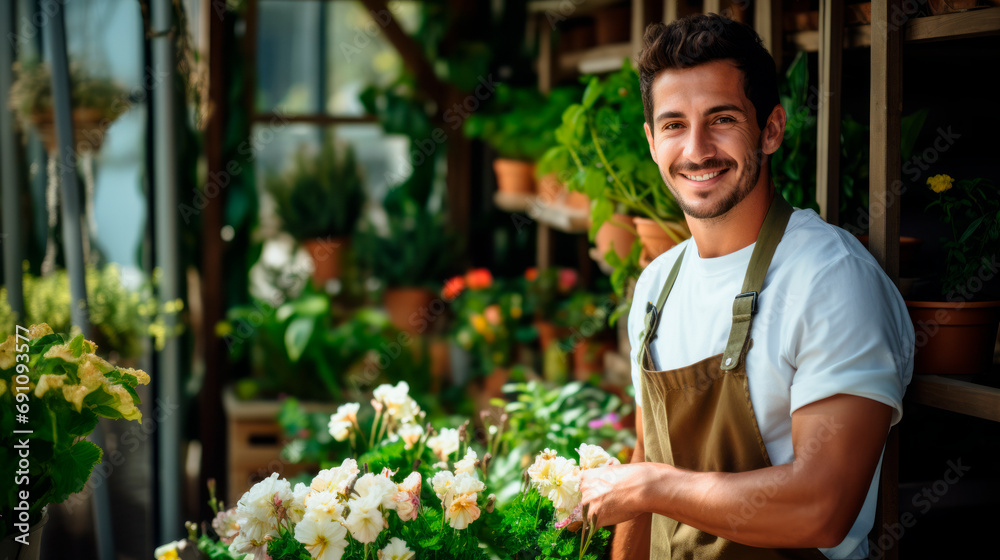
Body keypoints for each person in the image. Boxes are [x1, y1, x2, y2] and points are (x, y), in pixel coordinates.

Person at [578, 14, 914, 560]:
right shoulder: (657, 286)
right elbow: (645, 458)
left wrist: (652, 486)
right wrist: (642, 491)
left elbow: (824, 508)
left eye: (722, 118)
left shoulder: (829, 279)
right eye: (672, 125)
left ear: (772, 129)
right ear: (651, 141)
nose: (696, 149)